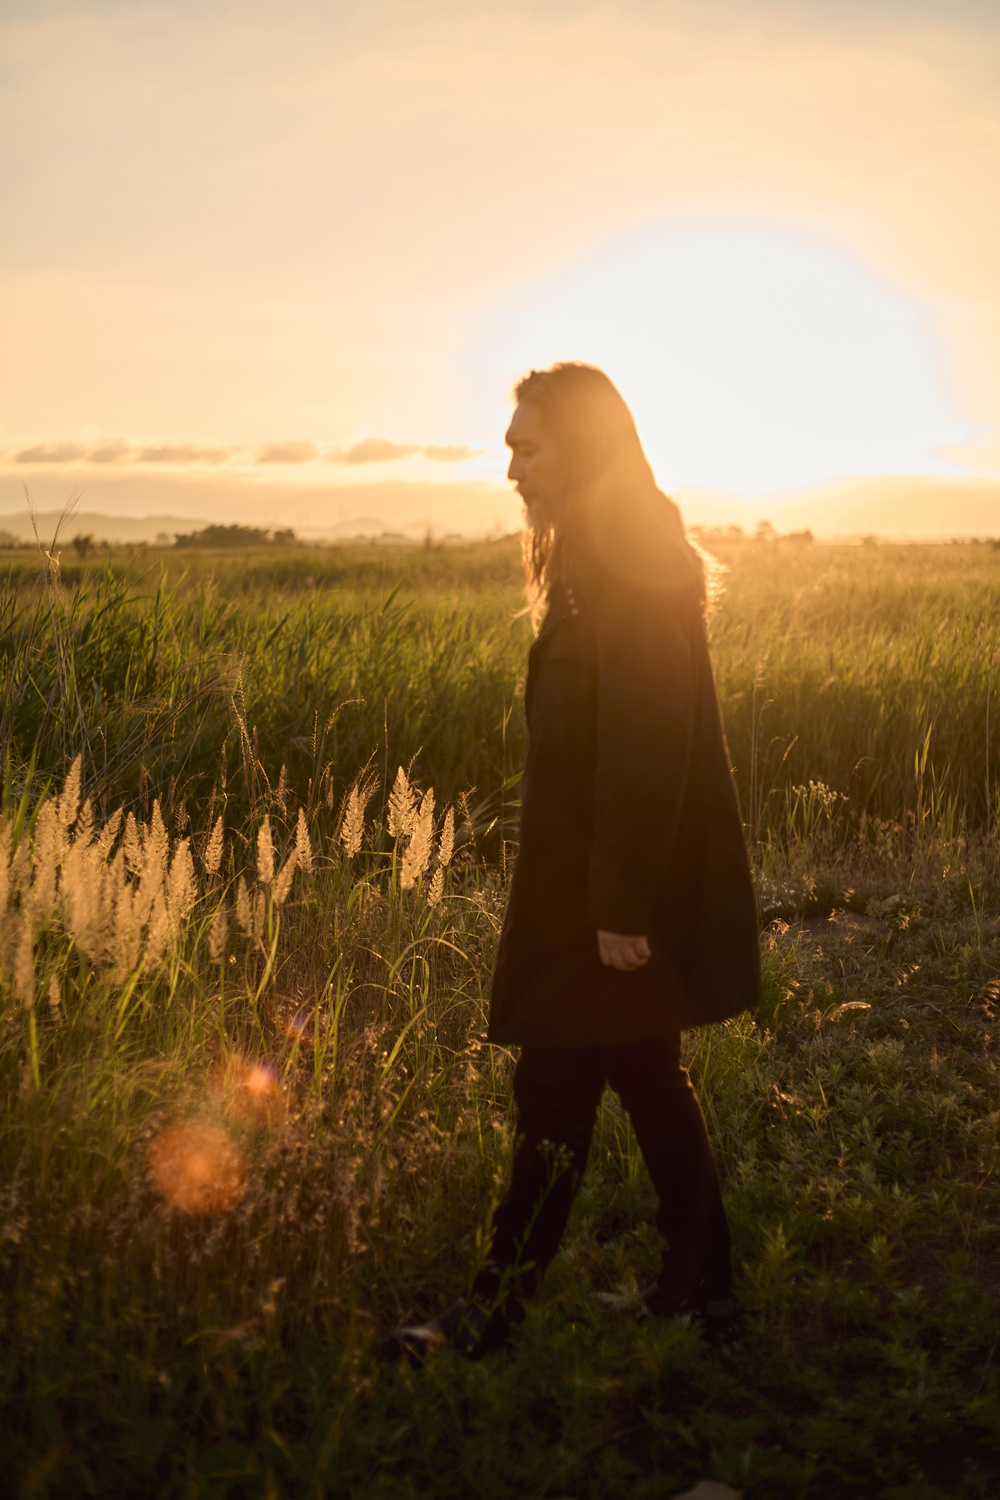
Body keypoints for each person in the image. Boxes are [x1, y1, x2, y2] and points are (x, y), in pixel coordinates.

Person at [393, 362, 760, 1360]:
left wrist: (620, 907)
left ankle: (494, 1313)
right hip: (593, 885)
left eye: (526, 445)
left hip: (602, 897)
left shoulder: (626, 559)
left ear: (580, 448)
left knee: (556, 1095)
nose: (508, 465)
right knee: (647, 1074)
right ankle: (705, 1295)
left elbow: (648, 740)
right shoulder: (590, 556)